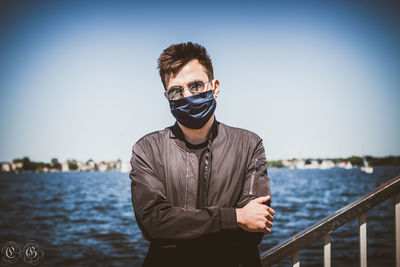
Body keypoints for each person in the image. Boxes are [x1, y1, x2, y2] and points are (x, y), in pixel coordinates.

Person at [129, 42, 274, 267]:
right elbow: (154, 224)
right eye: (177, 90)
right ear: (167, 96)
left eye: (196, 86)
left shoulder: (248, 144)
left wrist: (178, 232)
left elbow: (253, 231)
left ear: (214, 87)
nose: (187, 95)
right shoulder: (147, 149)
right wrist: (235, 218)